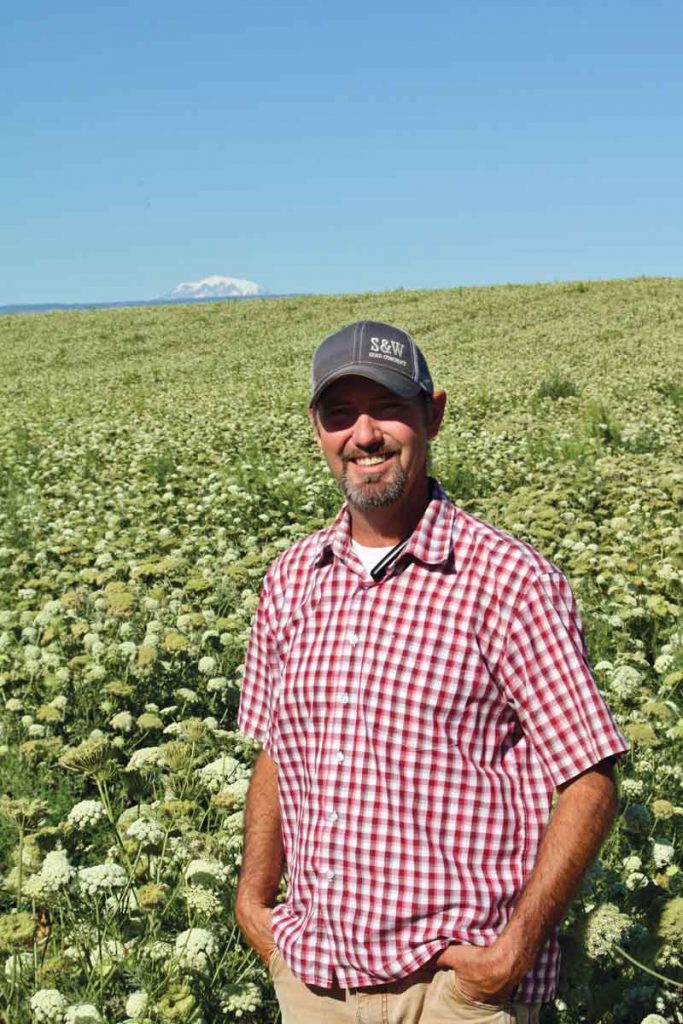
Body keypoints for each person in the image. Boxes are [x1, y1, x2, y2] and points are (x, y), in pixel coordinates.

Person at [235, 320, 628, 1023]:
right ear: (316, 429)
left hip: (451, 991)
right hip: (312, 980)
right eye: (339, 415)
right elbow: (274, 744)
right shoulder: (290, 578)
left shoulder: (510, 581)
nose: (364, 435)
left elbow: (589, 778)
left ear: (432, 415)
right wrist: (253, 902)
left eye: (387, 408)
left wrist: (508, 955)